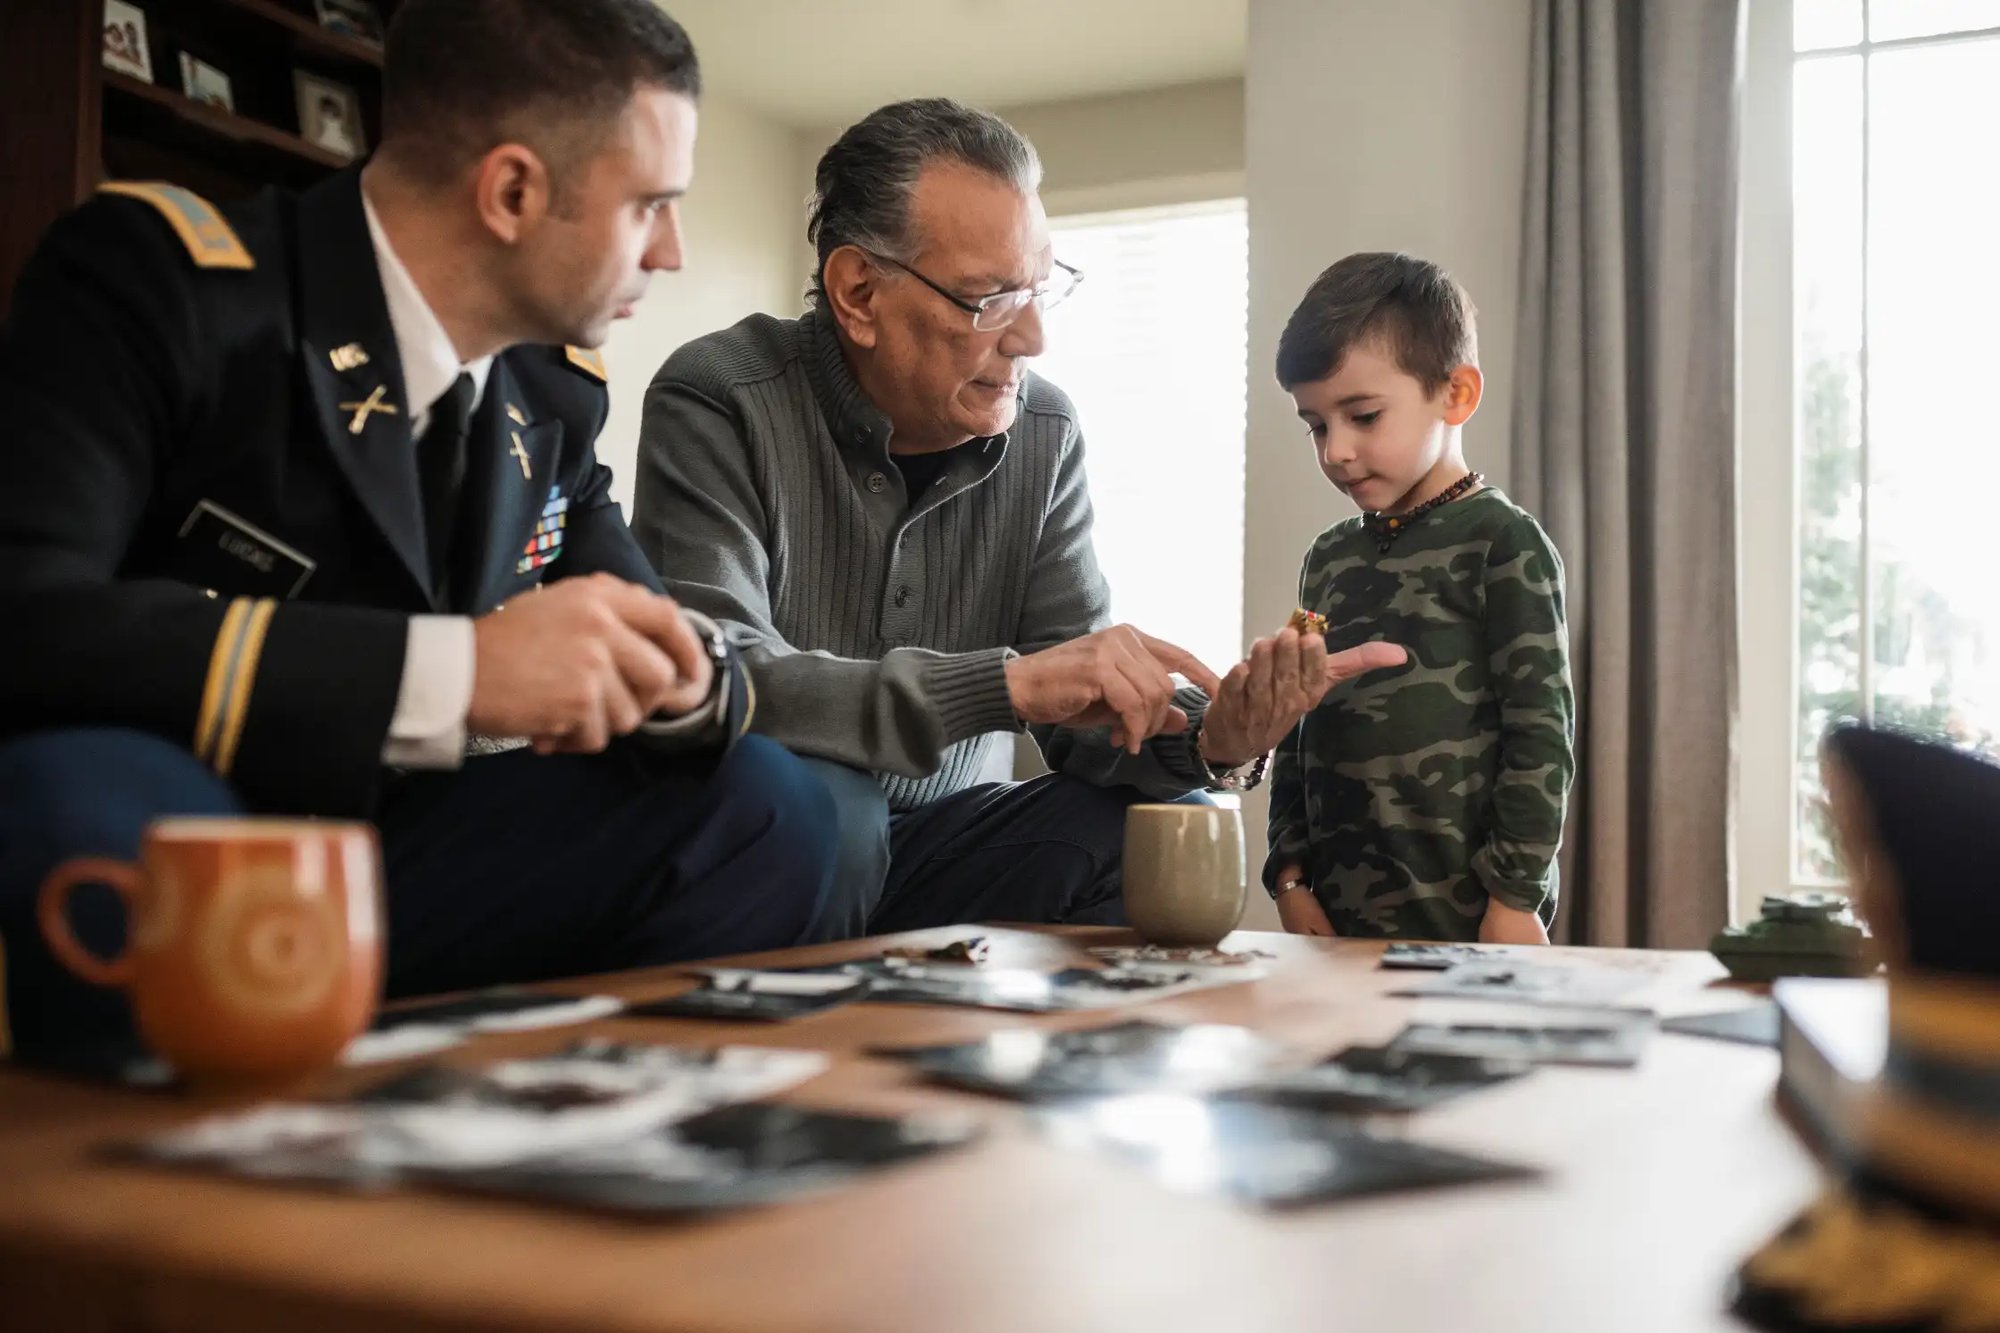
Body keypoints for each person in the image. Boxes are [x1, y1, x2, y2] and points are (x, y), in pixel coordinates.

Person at [0, 0, 838, 1068]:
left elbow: (660, 638)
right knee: (92, 804)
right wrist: (462, 671)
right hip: (183, 820)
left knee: (765, 805)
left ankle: (596, 1138)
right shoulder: (163, 279)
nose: (671, 252)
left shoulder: (550, 389)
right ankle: (157, 1209)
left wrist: (672, 680)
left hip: (392, 851)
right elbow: (27, 614)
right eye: (651, 206)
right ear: (512, 190)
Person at [633, 99, 1405, 940]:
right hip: (762, 840)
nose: (1031, 336)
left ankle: (1042, 1066)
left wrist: (1212, 736)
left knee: (1159, 819)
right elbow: (710, 678)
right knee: (838, 814)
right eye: (990, 298)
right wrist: (1006, 684)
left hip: (944, 846)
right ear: (857, 293)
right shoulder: (719, 395)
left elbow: (1082, 719)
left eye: (1038, 289)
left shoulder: (1045, 432)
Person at [1263, 252, 1574, 944]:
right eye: (1316, 425)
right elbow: (1295, 722)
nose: (1336, 451)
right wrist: (1288, 875)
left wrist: (1515, 898)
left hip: (1468, 921)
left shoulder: (1503, 542)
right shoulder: (1328, 557)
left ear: (1455, 395)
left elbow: (1541, 738)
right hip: (1331, 925)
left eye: (1364, 416)